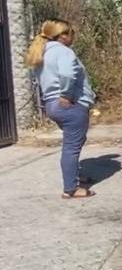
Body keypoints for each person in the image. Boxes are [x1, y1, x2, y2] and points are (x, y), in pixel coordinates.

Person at [27, 19, 96, 199]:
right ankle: (71, 188)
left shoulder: (41, 51)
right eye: (71, 33)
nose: (73, 36)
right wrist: (66, 94)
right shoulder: (63, 52)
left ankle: (72, 176)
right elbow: (67, 74)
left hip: (52, 104)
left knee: (74, 143)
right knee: (71, 147)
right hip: (70, 104)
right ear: (63, 36)